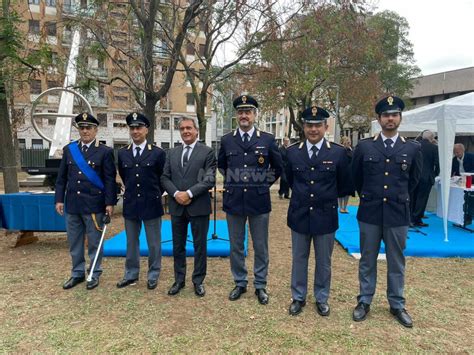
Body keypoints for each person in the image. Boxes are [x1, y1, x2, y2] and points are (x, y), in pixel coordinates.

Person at [351, 96, 422, 328]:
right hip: (370, 212)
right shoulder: (365, 146)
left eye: (394, 114)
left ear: (400, 118)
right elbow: (357, 178)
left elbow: (414, 180)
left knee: (396, 261)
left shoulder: (412, 148)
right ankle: (364, 300)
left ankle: (397, 303)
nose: (390, 118)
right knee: (367, 260)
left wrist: (396, 196)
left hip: (397, 213)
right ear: (379, 119)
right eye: (385, 115)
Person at [218, 94, 283, 305]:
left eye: (248, 111)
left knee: (261, 245)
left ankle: (260, 284)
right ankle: (240, 282)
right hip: (234, 200)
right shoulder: (227, 140)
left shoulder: (267, 139)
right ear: (237, 115)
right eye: (240, 112)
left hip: (259, 200)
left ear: (255, 114)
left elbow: (278, 167)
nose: (244, 115)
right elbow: (222, 166)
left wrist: (263, 183)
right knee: (236, 245)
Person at [286, 106, 351, 316]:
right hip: (299, 214)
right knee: (299, 259)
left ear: (326, 126)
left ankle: (322, 297)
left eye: (317, 125)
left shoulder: (338, 153)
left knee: (324, 261)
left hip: (325, 215)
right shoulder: (292, 152)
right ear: (303, 127)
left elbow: (343, 186)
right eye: (309, 125)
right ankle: (298, 296)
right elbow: (288, 180)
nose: (313, 129)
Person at [55, 112, 117, 290]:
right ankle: (77, 273)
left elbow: (109, 179)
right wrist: (59, 199)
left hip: (94, 205)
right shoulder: (70, 150)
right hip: (73, 204)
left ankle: (94, 273)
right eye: (81, 128)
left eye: (88, 128)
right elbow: (62, 178)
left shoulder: (105, 152)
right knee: (74, 241)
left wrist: (109, 203)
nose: (85, 131)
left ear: (96, 130)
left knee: (95, 242)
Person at [161, 116, 216, 297]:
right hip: (177, 206)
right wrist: (177, 194)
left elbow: (209, 178)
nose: (185, 131)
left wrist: (189, 193)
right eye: (182, 128)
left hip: (198, 206)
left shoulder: (207, 152)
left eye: (189, 128)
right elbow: (164, 177)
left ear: (196, 131)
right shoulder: (171, 153)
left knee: (200, 245)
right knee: (178, 245)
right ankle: (179, 279)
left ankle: (198, 281)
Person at [116, 112, 166, 290]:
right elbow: (124, 175)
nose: (135, 131)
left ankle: (153, 274)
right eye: (132, 128)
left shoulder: (158, 153)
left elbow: (163, 179)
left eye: (139, 127)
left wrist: (154, 194)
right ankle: (131, 273)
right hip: (131, 204)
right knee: (131, 242)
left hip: (151, 203)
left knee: (153, 243)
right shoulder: (122, 154)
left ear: (146, 130)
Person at [410, 130, 440, 227]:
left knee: (412, 197)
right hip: (426, 177)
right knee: (422, 199)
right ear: (431, 138)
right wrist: (434, 174)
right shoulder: (434, 148)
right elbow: (437, 164)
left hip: (413, 176)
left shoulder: (414, 146)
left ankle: (410, 218)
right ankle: (417, 219)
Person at [337, 136, 355, 213]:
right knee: (341, 191)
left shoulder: (352, 150)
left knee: (348, 191)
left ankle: (345, 207)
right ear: (343, 142)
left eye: (349, 141)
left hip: (350, 173)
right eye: (347, 141)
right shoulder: (341, 150)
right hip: (342, 173)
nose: (349, 142)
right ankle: (341, 207)